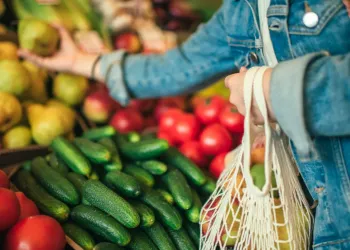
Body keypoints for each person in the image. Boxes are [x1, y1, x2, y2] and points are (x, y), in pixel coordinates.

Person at [19, 0, 350, 249]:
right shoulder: (244, 9)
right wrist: (79, 61)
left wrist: (276, 90)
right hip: (324, 215)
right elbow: (182, 66)